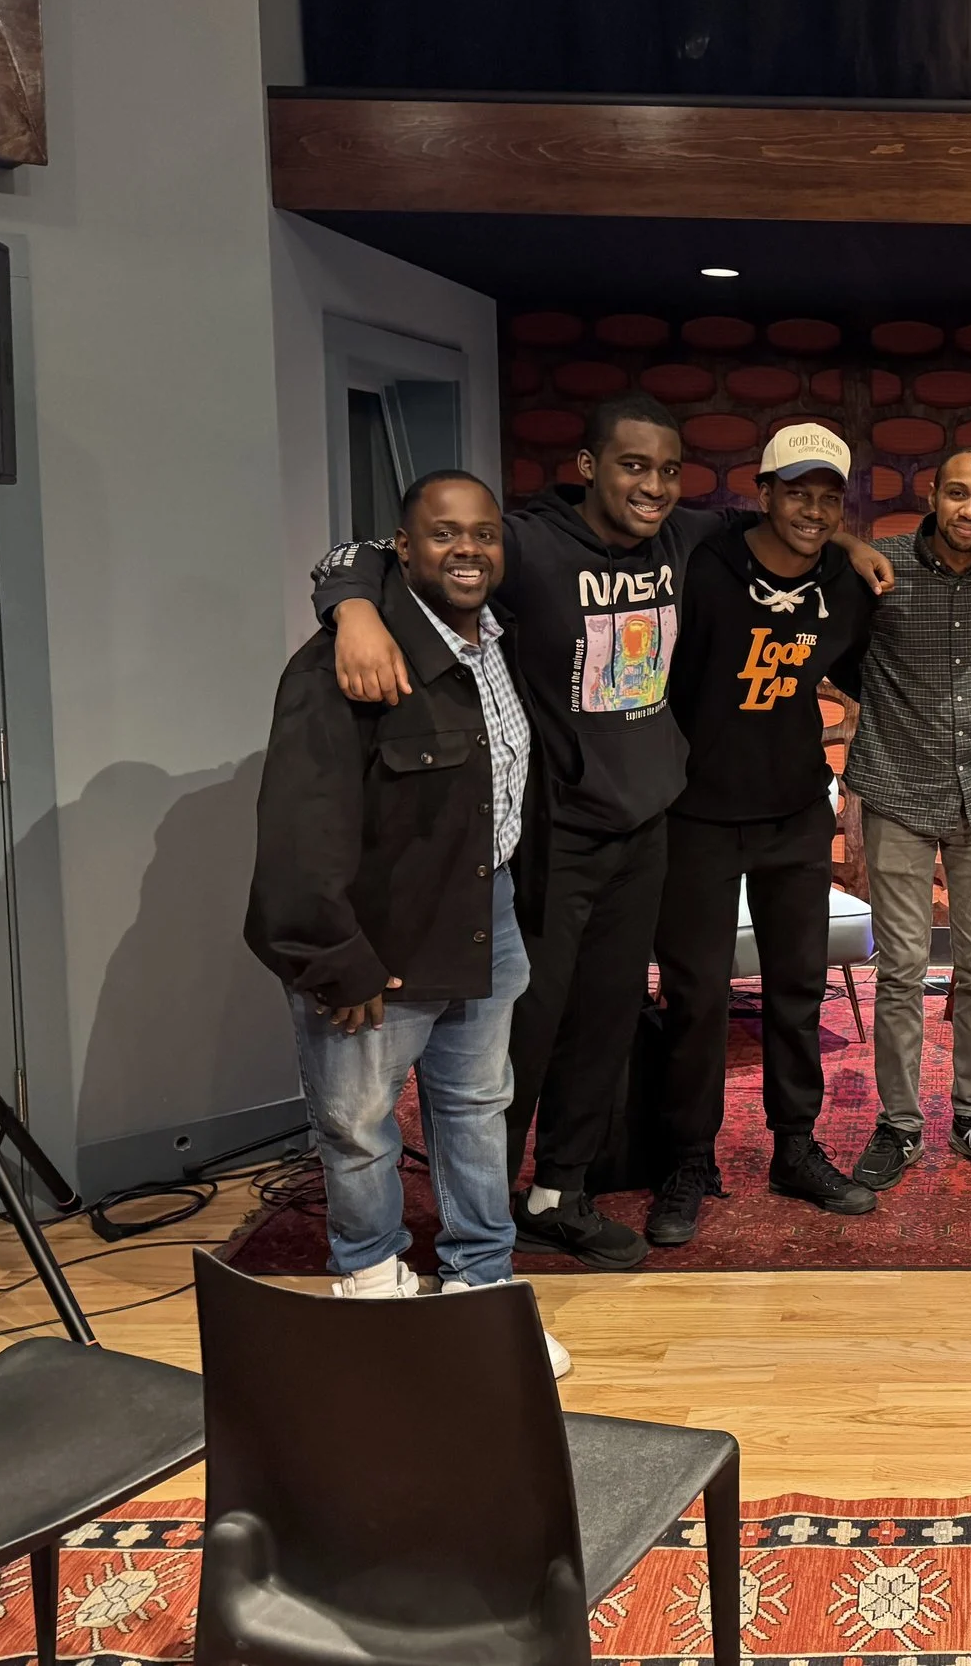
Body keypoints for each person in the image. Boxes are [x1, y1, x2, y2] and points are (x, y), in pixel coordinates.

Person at [316, 396, 889, 1272]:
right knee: (529, 1028)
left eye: (667, 470)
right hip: (568, 828)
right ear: (587, 465)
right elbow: (387, 552)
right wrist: (352, 609)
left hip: (654, 821)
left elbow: (785, 521)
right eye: (632, 465)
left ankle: (562, 1191)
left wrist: (847, 540)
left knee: (613, 1019)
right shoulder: (532, 544)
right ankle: (489, 1216)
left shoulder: (686, 536)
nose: (652, 486)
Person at [246, 471, 567, 1372]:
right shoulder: (343, 661)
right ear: (403, 546)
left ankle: (481, 1288)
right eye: (444, 533)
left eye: (484, 534)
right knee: (358, 1124)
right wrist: (335, 957)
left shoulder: (500, 638)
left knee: (478, 1110)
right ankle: (372, 1280)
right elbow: (301, 828)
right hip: (376, 938)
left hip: (485, 912)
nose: (468, 550)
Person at [644, 421, 881, 1245]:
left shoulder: (846, 585)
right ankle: (687, 1158)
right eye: (797, 492)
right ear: (765, 492)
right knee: (697, 997)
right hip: (696, 814)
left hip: (792, 813)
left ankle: (794, 1146)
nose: (813, 510)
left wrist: (849, 546)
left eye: (829, 498)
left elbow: (859, 671)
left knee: (797, 989)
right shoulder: (702, 564)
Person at [843, 447, 971, 1188]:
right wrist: (845, 540)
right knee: (901, 968)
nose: (970, 510)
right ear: (932, 493)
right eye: (958, 493)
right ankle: (898, 1123)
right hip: (896, 787)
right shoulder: (881, 565)